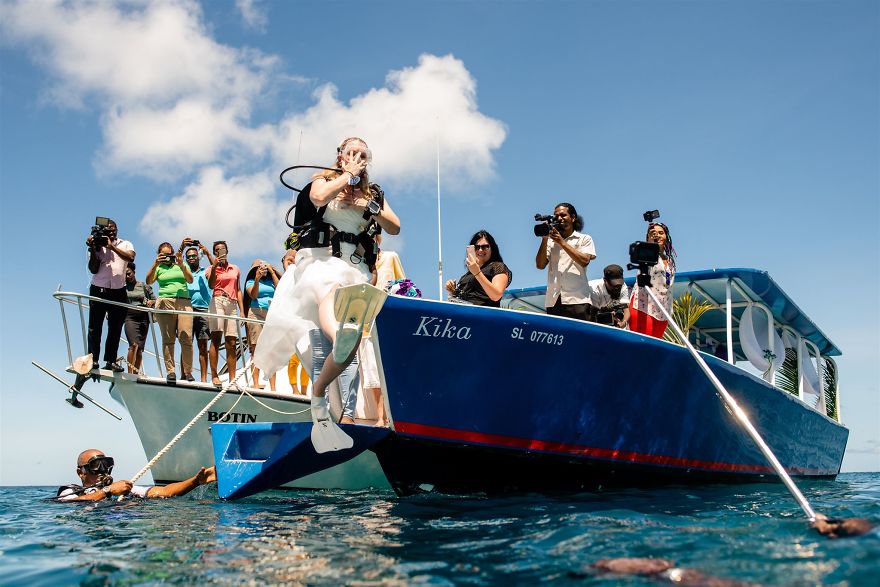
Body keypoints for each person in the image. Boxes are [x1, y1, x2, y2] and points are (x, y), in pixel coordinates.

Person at [254, 136, 400, 430]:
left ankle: (329, 401)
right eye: (352, 152)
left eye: (363, 154)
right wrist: (346, 177)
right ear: (340, 156)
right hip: (320, 263)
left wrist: (366, 204)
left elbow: (394, 226)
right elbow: (319, 198)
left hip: (353, 269)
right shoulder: (323, 181)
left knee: (350, 347)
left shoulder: (372, 194)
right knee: (329, 309)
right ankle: (338, 340)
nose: (357, 157)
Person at [361, 234, 407, 427]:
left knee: (387, 371)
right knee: (373, 373)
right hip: (365, 324)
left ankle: (389, 416)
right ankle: (381, 417)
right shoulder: (359, 263)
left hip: (387, 322)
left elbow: (405, 286)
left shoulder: (391, 257)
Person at [57, 449, 216, 501]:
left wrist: (196, 481)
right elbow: (70, 504)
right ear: (80, 472)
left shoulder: (124, 489)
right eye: (95, 465)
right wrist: (108, 491)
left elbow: (165, 492)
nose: (102, 469)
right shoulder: (71, 491)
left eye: (106, 464)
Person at [86, 219, 136, 372]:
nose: (111, 232)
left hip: (118, 290)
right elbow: (93, 269)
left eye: (113, 229)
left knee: (115, 328)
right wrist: (94, 249)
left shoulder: (126, 244)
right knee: (95, 327)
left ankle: (111, 360)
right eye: (108, 230)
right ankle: (93, 359)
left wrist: (111, 247)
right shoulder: (97, 245)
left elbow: (130, 258)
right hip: (98, 289)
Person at [535, 203, 596, 321]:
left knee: (579, 337)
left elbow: (585, 261)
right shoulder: (550, 241)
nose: (559, 218)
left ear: (573, 218)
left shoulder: (584, 239)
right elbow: (540, 265)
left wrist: (562, 243)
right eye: (556, 216)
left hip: (577, 300)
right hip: (554, 300)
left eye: (563, 215)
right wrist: (544, 239)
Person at [146, 242, 194, 383]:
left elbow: (190, 280)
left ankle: (188, 371)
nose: (166, 257)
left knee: (186, 337)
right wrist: (155, 264)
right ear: (159, 255)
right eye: (163, 254)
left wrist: (181, 265)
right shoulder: (159, 267)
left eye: (169, 254)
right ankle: (171, 371)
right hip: (165, 302)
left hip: (183, 302)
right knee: (168, 339)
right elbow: (148, 281)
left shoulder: (180, 265)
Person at [206, 240, 244, 386]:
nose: (219, 251)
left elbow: (238, 289)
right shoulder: (211, 268)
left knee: (232, 342)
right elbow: (211, 285)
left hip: (232, 303)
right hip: (218, 300)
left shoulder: (235, 268)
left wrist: (242, 311)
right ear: (215, 253)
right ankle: (214, 375)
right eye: (217, 250)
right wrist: (215, 266)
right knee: (216, 338)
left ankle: (232, 379)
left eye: (222, 249)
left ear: (227, 251)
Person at [629, 222, 677, 338]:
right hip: (643, 307)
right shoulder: (647, 254)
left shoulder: (670, 260)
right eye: (653, 233)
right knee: (643, 346)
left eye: (661, 233)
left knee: (655, 347)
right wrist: (650, 243)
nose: (657, 235)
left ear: (666, 237)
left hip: (663, 310)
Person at [445, 230, 512, 307]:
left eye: (485, 247)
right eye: (477, 247)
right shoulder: (466, 276)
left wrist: (477, 273)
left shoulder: (498, 266)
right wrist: (452, 292)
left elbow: (496, 295)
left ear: (492, 248)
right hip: (462, 315)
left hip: (484, 316)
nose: (480, 250)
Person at [244, 259, 281, 390]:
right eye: (259, 268)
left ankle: (273, 387)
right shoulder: (250, 281)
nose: (262, 270)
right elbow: (253, 295)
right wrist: (257, 279)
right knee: (256, 350)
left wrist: (272, 271)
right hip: (255, 313)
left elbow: (281, 288)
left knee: (271, 351)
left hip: (271, 315)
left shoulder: (272, 281)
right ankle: (255, 383)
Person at [183, 239, 215, 382]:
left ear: (198, 256)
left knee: (203, 345)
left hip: (203, 310)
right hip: (187, 310)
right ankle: (185, 374)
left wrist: (208, 253)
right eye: (188, 256)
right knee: (186, 344)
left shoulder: (206, 271)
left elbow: (217, 267)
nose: (191, 258)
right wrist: (181, 247)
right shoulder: (183, 271)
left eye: (193, 255)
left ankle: (203, 379)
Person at [123, 262, 155, 374]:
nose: (127, 277)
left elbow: (155, 300)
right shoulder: (122, 289)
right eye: (124, 275)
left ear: (134, 272)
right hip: (130, 317)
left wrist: (151, 302)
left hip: (144, 319)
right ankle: (130, 373)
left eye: (129, 274)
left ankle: (136, 374)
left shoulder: (144, 286)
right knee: (133, 345)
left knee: (140, 349)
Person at [589, 264, 630, 328]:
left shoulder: (623, 286)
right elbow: (594, 316)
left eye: (619, 285)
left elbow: (626, 310)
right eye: (614, 285)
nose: (617, 288)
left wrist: (623, 322)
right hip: (591, 311)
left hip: (606, 310)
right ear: (605, 281)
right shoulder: (594, 289)